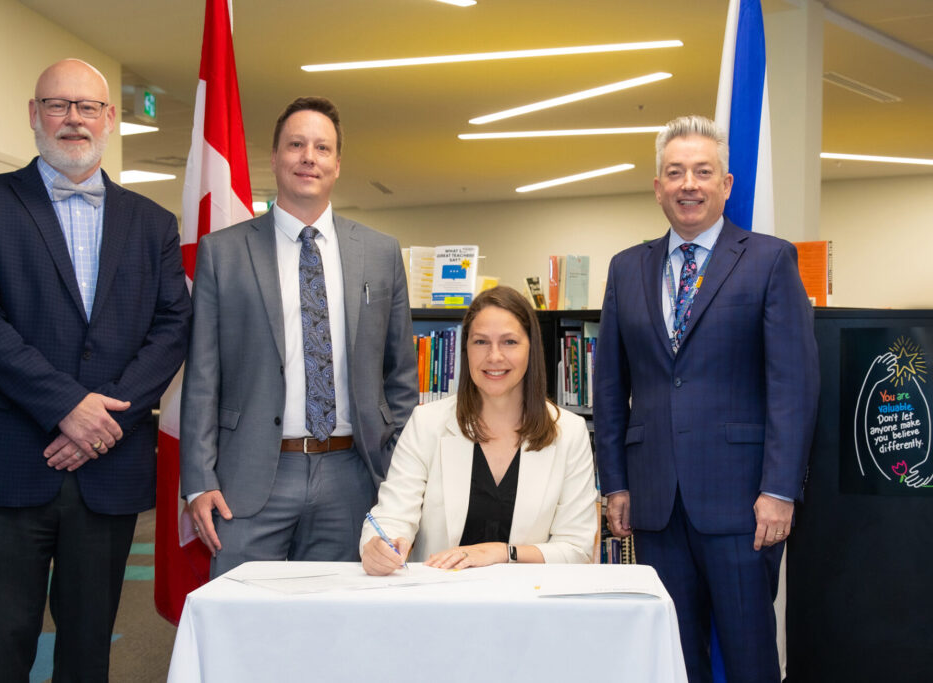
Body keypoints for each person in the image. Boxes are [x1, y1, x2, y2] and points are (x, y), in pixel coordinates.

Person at [0, 59, 191, 682]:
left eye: (87, 106)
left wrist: (102, 421)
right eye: (58, 104)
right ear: (34, 114)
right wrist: (68, 408)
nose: (73, 119)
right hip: (3, 464)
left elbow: (172, 327)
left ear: (109, 118)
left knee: (88, 650)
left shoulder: (153, 223)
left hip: (108, 466)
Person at [593, 115, 820, 683]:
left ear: (726, 183)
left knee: (749, 659)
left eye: (702, 171)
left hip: (744, 506)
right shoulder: (626, 268)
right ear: (658, 187)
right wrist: (615, 483)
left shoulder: (769, 260)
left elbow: (793, 385)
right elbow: (611, 386)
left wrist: (779, 491)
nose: (688, 184)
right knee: (671, 660)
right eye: (675, 173)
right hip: (654, 504)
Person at [181, 96, 417, 576]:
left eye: (322, 148)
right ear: (274, 157)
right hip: (249, 475)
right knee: (243, 611)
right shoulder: (223, 253)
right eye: (296, 145)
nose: (309, 157)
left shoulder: (380, 253)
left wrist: (397, 470)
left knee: (340, 613)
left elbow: (401, 378)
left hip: (353, 475)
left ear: (337, 164)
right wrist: (199, 479)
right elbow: (203, 376)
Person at [361, 286, 597, 575]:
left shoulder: (569, 432)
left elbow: (577, 549)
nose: (494, 356)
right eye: (481, 342)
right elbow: (392, 515)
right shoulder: (427, 423)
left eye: (509, 342)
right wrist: (379, 547)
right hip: (439, 593)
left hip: (527, 596)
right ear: (466, 350)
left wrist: (501, 552)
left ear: (531, 349)